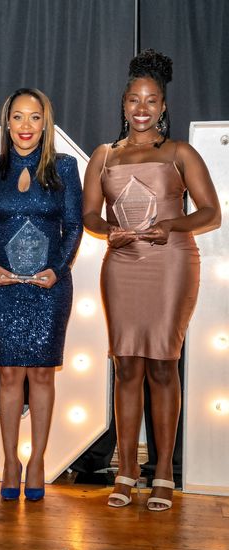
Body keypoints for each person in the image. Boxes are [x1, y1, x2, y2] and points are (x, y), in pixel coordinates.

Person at [83, 49, 221, 511]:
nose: (142, 109)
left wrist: (172, 226)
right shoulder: (103, 156)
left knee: (163, 365)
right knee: (126, 367)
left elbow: (210, 213)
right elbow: (90, 216)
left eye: (152, 101)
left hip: (171, 264)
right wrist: (109, 232)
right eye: (134, 100)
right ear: (123, 103)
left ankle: (162, 471)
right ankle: (125, 470)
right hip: (121, 265)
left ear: (163, 106)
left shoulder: (180, 152)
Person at [0, 88, 83, 501]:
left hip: (48, 288)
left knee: (40, 374)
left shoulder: (65, 168)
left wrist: (58, 270)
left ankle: (36, 459)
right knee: (7, 376)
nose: (25, 126)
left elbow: (73, 226)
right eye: (17, 117)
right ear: (7, 122)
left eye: (34, 118)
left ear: (45, 123)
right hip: (1, 288)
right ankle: (9, 460)